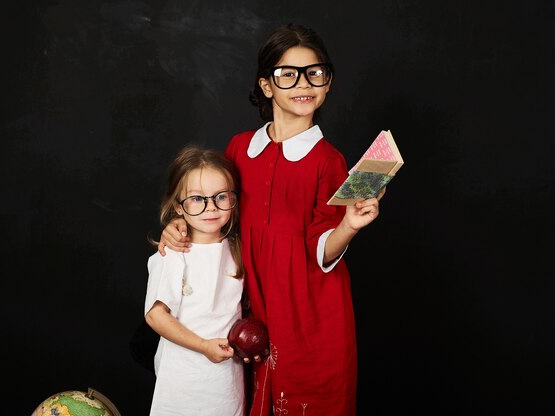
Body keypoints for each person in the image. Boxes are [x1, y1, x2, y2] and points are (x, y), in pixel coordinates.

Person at [159, 24, 385, 415]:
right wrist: (181, 225)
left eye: (315, 72)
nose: (305, 83)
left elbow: (322, 248)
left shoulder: (328, 161)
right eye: (288, 74)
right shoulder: (240, 147)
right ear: (266, 86)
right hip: (252, 306)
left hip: (308, 311)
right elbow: (215, 211)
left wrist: (348, 225)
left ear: (327, 82)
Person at [144, 145, 246, 416]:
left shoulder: (238, 250)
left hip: (226, 381)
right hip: (183, 382)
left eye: (221, 196)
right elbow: (156, 316)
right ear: (178, 206)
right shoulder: (173, 254)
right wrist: (203, 346)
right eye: (197, 199)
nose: (211, 207)